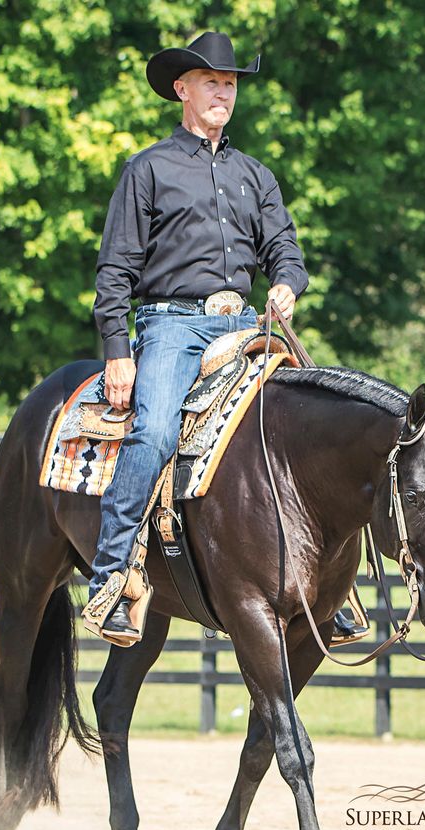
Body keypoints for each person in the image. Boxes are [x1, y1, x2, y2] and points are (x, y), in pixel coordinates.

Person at [85, 31, 308, 641]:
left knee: (313, 423)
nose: (223, 93)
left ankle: (329, 591)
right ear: (181, 89)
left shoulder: (255, 175)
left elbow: (284, 249)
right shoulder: (148, 169)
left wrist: (287, 282)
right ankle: (107, 578)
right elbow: (116, 269)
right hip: (171, 325)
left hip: (248, 328)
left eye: (230, 83)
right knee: (154, 430)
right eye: (211, 81)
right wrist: (117, 350)